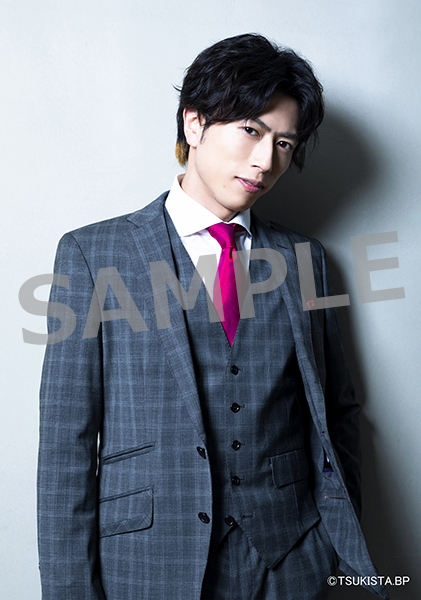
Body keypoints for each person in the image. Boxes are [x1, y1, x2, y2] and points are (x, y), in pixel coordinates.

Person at [37, 33, 388, 600]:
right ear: (195, 124)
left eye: (283, 143)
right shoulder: (91, 254)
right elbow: (65, 442)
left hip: (290, 562)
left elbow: (337, 410)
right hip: (151, 563)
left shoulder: (306, 260)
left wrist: (327, 544)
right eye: (251, 130)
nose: (266, 160)